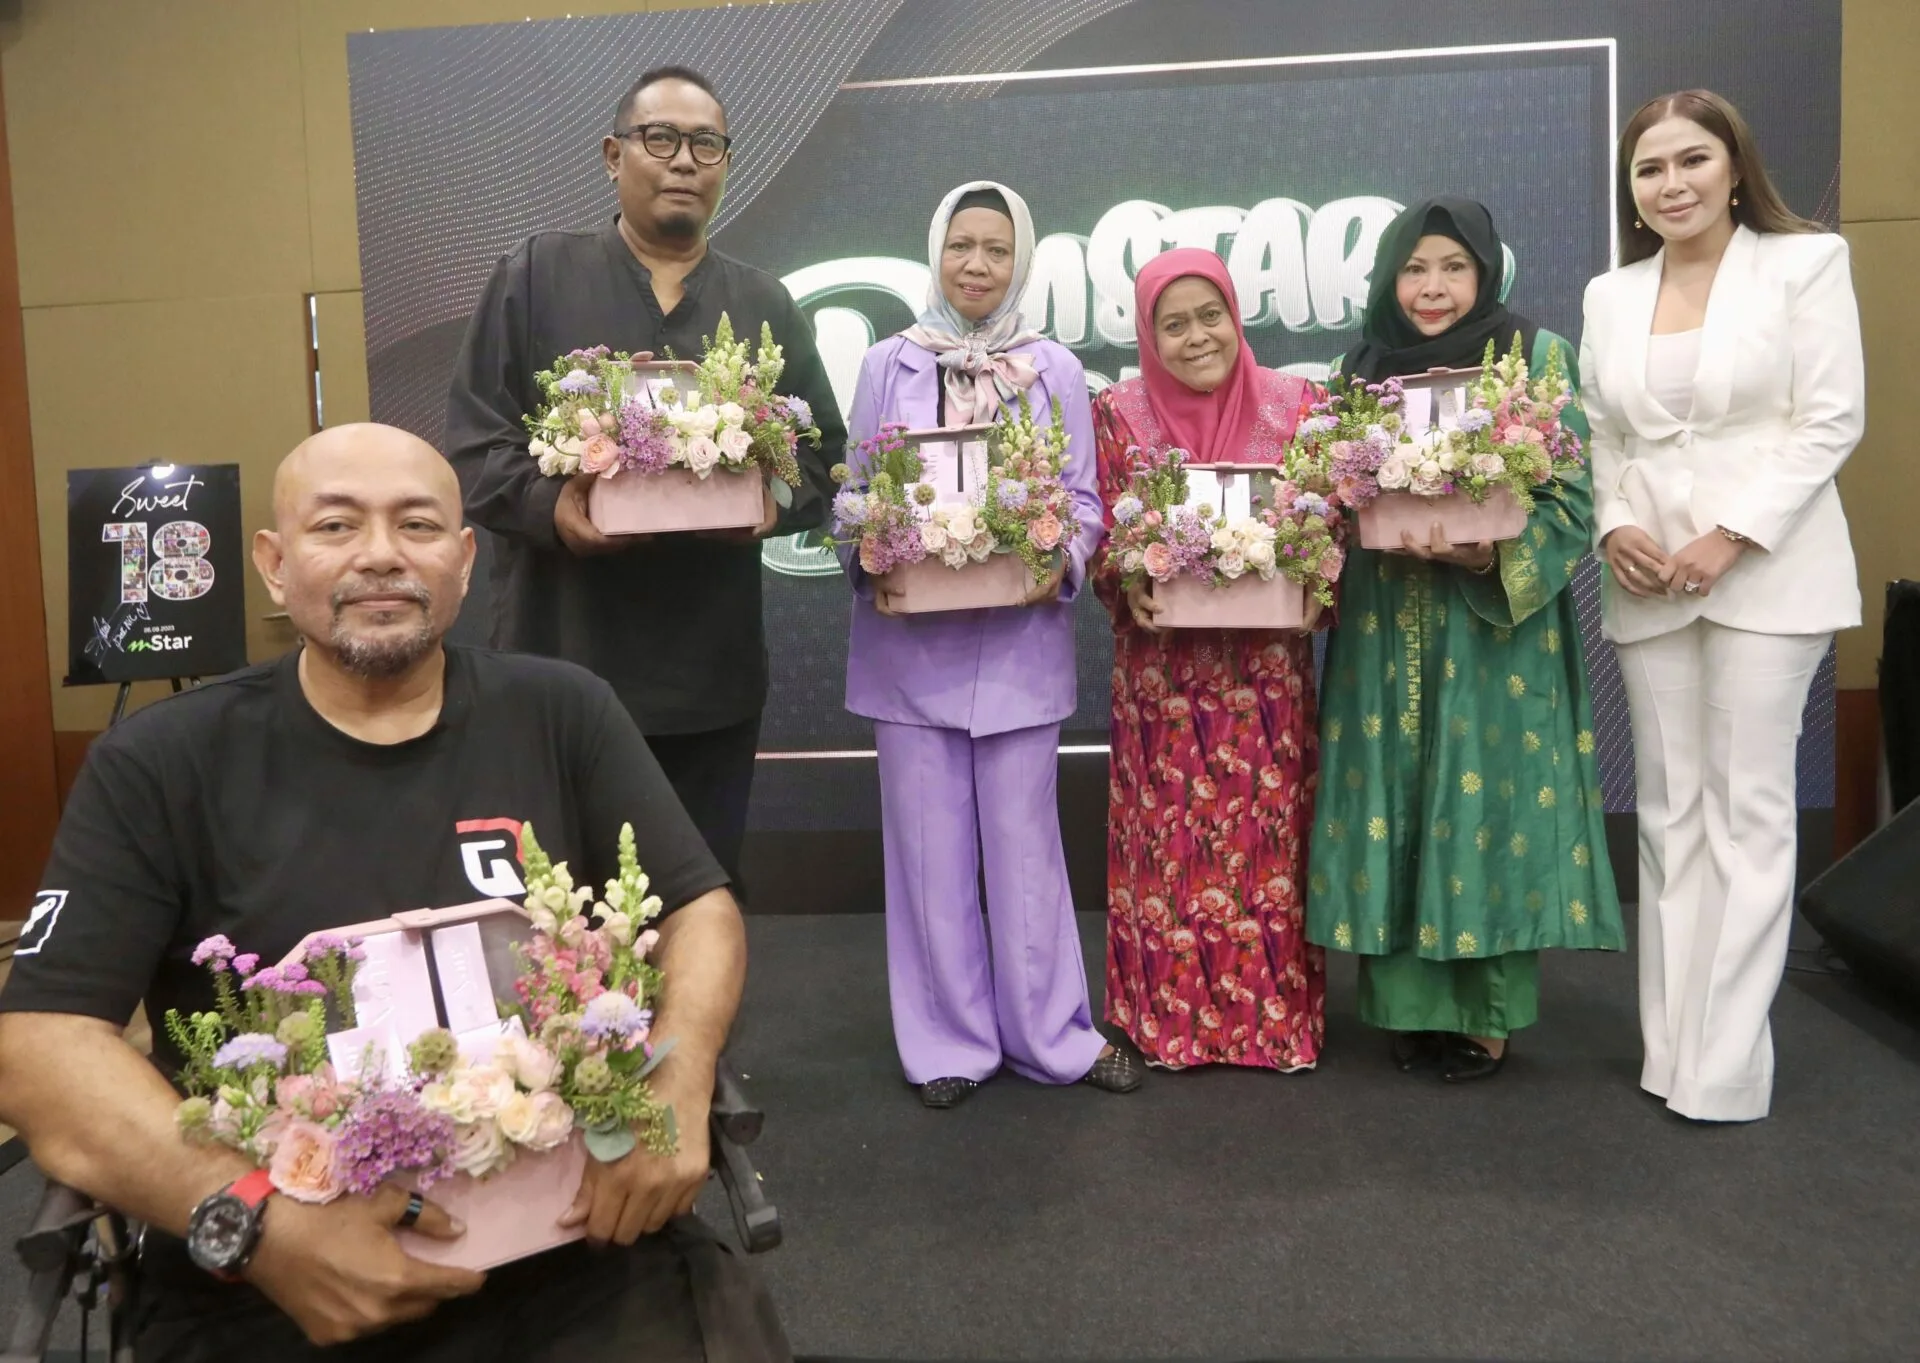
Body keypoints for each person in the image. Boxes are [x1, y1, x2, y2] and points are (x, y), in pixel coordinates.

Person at [0, 425, 790, 1362]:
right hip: (274, 1267)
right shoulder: (160, 761)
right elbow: (40, 1045)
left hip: (571, 1240)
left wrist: (681, 1078)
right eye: (336, 525)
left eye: (417, 525)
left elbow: (699, 908)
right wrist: (256, 1220)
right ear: (274, 563)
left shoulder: (562, 710)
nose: (380, 554)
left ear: (463, 560)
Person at [445, 65, 846, 896]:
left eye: (706, 144)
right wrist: (557, 503)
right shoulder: (535, 275)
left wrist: (766, 501)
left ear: (726, 163)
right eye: (660, 138)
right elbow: (477, 446)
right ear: (613, 154)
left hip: (710, 680)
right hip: (560, 666)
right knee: (563, 918)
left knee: (698, 901)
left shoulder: (762, 302)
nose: (684, 160)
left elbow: (821, 457)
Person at [1581, 91, 1864, 1122]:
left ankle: (1727, 1067)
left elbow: (1831, 419)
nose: (1673, 184)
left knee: (1749, 814)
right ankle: (1672, 1052)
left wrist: (1730, 535)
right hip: (1648, 575)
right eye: (1650, 169)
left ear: (1735, 167)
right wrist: (1615, 525)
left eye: (1692, 160)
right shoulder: (1612, 293)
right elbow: (1603, 433)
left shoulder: (1805, 264)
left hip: (1766, 573)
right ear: (1632, 189)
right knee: (1669, 817)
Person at [1304, 197, 1626, 1082]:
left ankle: (1486, 1016)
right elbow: (1326, 496)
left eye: (1453, 267)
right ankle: (1407, 1008)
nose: (1433, 287)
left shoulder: (1534, 356)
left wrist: (1494, 553)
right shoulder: (1356, 372)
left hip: (1493, 637)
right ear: (1389, 278)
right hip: (1383, 625)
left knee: (1485, 806)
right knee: (1396, 799)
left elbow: (1572, 496)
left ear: (1485, 272)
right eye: (1414, 268)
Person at [840, 181, 1139, 1107]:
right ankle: (947, 1044)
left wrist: (1060, 561)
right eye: (961, 245)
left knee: (1026, 852)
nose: (976, 265)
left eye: (996, 249)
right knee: (928, 856)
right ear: (936, 252)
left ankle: (1053, 1037)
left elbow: (1083, 501)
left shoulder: (1054, 369)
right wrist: (870, 558)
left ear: (1021, 260)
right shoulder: (887, 362)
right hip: (910, 653)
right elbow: (856, 493)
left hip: (1018, 647)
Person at [1093, 248, 1325, 1071]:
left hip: (1267, 681)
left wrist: (1318, 584)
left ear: (1236, 316)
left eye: (1211, 315)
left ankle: (1273, 1027)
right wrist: (1127, 578)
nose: (1197, 337)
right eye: (1174, 324)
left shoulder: (1299, 408)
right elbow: (1101, 538)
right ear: (1148, 336)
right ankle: (1164, 1024)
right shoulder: (1117, 416)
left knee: (1268, 845)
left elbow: (1331, 529)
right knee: (1166, 849)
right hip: (1162, 683)